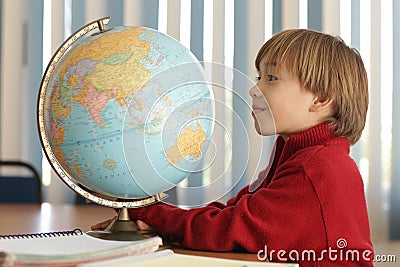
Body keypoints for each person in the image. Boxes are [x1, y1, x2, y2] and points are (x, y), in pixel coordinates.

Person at [92, 29, 374, 266]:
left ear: (321, 99)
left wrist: (147, 210)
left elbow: (229, 228)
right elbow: (235, 209)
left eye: (271, 79)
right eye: (259, 76)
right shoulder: (297, 153)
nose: (254, 88)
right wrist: (161, 223)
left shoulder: (314, 167)